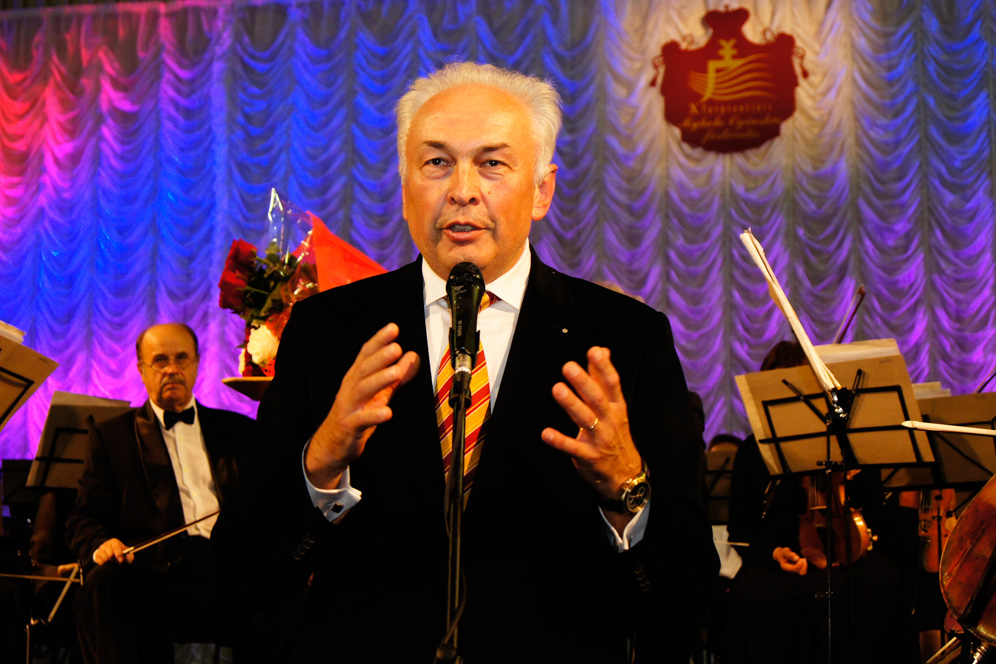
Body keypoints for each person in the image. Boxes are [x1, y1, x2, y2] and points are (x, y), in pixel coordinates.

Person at [213, 62, 716, 663]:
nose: (462, 190)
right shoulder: (329, 332)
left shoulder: (624, 337)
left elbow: (688, 595)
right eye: (436, 162)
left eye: (493, 163)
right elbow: (237, 579)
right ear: (405, 190)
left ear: (542, 191)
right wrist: (319, 466)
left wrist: (627, 489)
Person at [65, 322, 255, 664]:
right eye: (160, 360)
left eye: (181, 359)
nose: (172, 369)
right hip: (155, 573)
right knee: (104, 583)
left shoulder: (238, 431)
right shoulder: (112, 437)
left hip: (229, 566)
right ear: (141, 369)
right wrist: (102, 544)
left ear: (196, 363)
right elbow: (84, 518)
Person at [723, 341, 919, 664]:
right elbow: (741, 528)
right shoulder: (753, 451)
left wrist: (855, 475)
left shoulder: (847, 440)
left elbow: (875, 510)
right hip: (780, 564)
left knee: (878, 582)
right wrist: (775, 552)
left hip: (848, 557)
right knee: (754, 598)